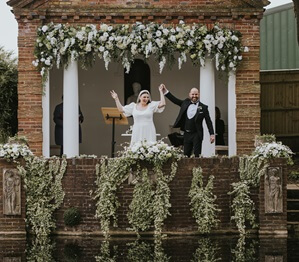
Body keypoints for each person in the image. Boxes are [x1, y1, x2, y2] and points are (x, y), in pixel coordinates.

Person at [162, 86, 215, 157]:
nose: (194, 96)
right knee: (186, 154)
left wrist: (211, 134)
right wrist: (165, 91)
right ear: (189, 94)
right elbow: (175, 100)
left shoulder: (204, 107)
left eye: (196, 94)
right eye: (193, 94)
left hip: (197, 134)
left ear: (198, 94)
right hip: (186, 133)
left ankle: (197, 168)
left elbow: (208, 121)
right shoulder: (185, 103)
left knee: (197, 155)